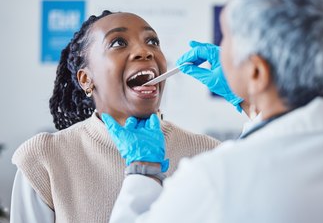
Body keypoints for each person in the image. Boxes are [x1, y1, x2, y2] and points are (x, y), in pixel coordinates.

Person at [103, 0, 323, 222]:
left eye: (227, 37)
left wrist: (142, 172)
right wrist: (251, 102)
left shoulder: (216, 181)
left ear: (256, 71)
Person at [10, 11, 220, 223]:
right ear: (86, 80)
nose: (145, 51)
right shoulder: (43, 160)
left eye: (152, 41)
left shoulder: (209, 154)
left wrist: (250, 102)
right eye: (118, 42)